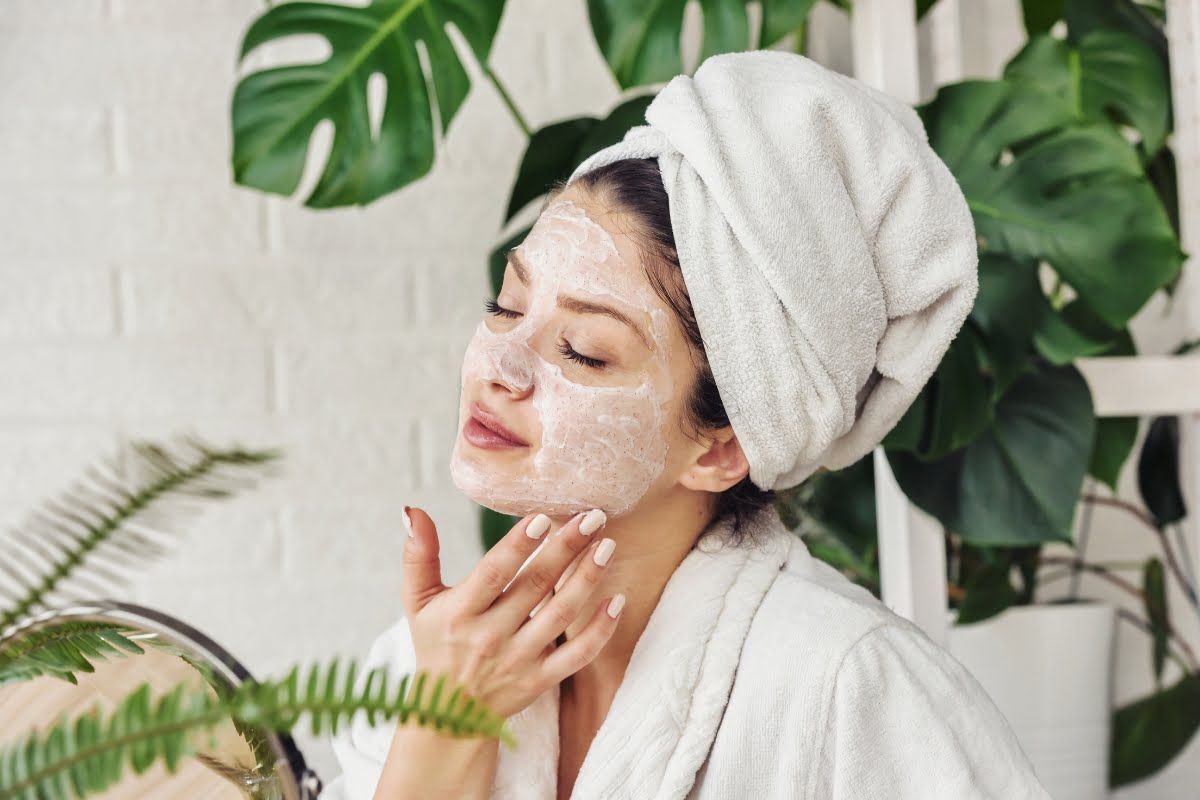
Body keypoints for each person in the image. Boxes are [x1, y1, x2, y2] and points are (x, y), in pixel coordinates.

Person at [319, 51, 1051, 799]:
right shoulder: (431, 662)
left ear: (723, 448)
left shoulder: (852, 689)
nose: (499, 363)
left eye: (586, 350)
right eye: (507, 305)